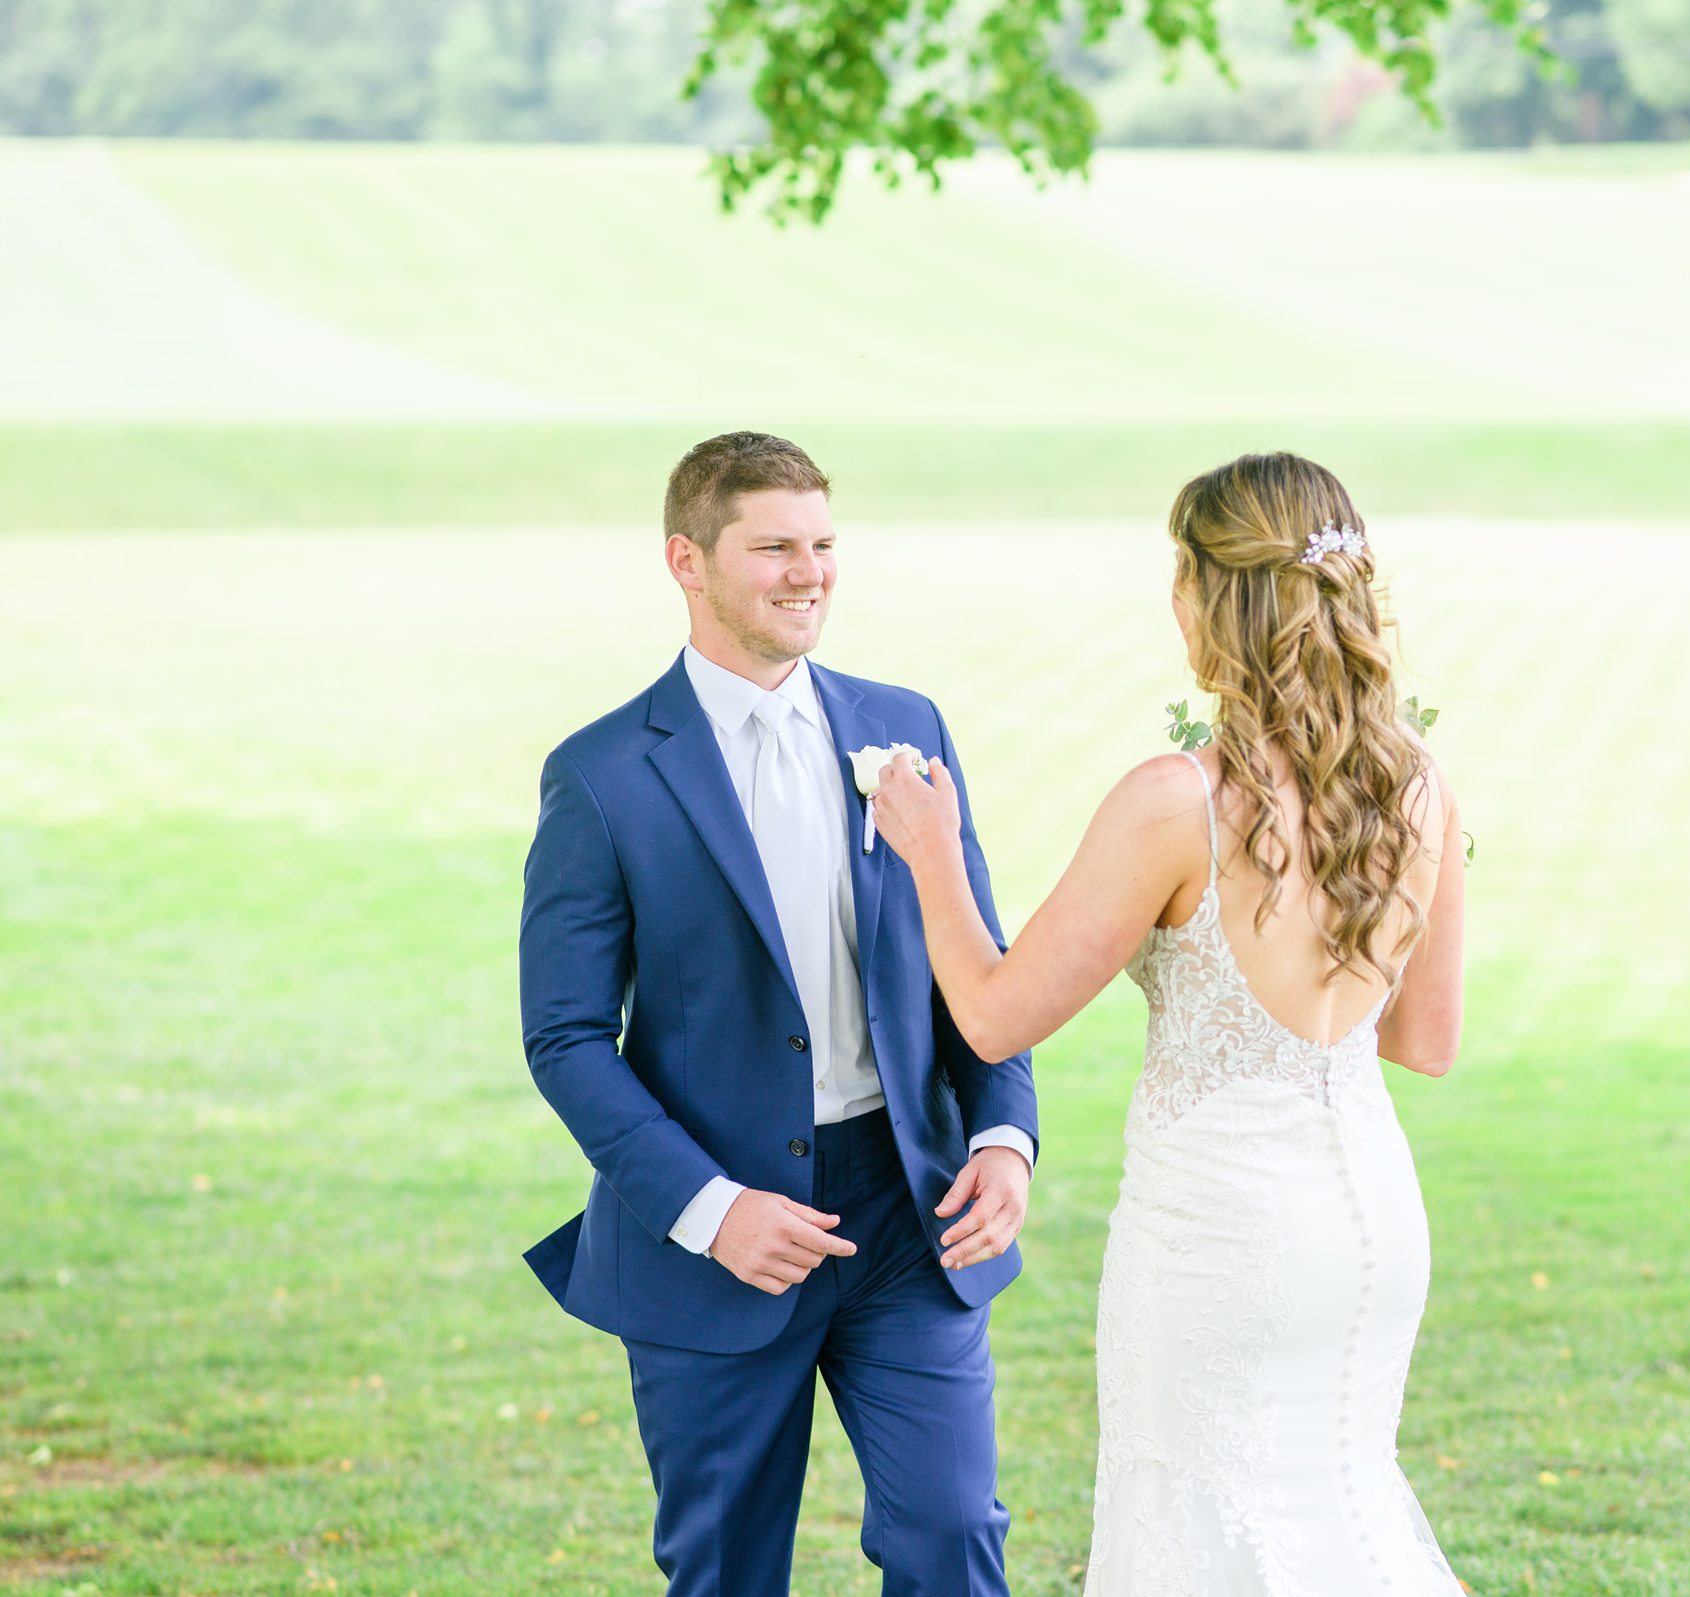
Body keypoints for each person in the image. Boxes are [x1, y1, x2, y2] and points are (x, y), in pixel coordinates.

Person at [871, 450, 1468, 1593]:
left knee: (1199, 1524)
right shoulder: (1420, 787)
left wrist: (935, 860)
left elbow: (995, 1016)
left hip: (1221, 1238)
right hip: (1374, 1232)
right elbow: (1421, 1042)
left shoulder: (1176, 803)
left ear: (1213, 598)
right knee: (1339, 1507)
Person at [517, 431, 1037, 1597]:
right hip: (720, 1230)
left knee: (952, 1535)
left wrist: (1005, 1139)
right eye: (774, 548)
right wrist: (711, 1209)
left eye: (824, 544)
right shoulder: (601, 775)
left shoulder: (907, 726)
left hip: (912, 1209)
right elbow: (562, 1036)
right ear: (686, 561)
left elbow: (981, 962)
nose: (810, 573)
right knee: (725, 1571)